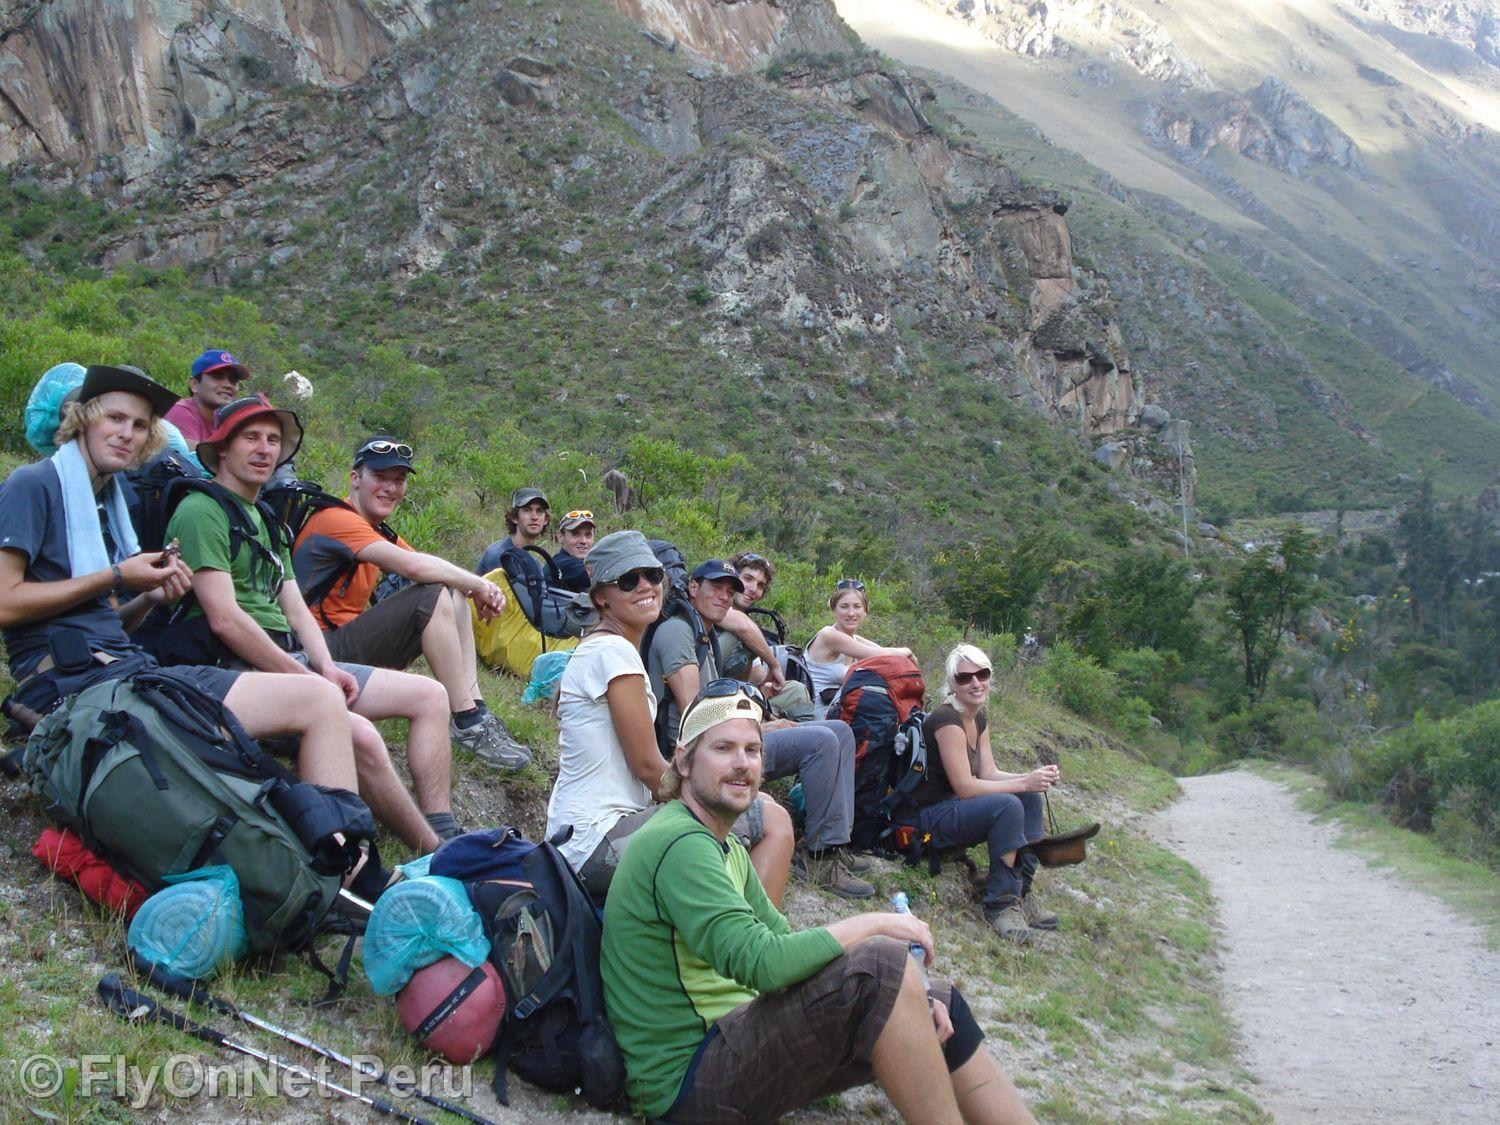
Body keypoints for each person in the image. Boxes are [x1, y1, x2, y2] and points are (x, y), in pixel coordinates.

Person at [601, 683, 1036, 1125]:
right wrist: (875, 925)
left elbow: (782, 941)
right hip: (687, 1083)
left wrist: (912, 990)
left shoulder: (724, 844)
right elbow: (764, 964)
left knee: (935, 998)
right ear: (685, 760)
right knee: (882, 967)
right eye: (723, 748)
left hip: (731, 1040)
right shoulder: (679, 844)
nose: (741, 763)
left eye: (753, 750)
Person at [0, 365, 367, 808]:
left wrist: (148, 596)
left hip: (124, 665)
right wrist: (118, 576)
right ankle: (347, 852)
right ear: (83, 418)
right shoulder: (33, 483)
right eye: (114, 418)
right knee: (314, 702)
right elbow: (6, 604)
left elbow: (100, 619)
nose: (126, 434)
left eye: (139, 425)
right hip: (71, 679)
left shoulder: (109, 502)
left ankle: (349, 845)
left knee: (297, 731)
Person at [164, 395, 455, 852]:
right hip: (229, 668)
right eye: (251, 438)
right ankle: (413, 849)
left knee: (430, 694)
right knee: (358, 732)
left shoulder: (267, 520)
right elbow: (224, 620)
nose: (264, 449)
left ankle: (445, 825)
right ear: (222, 448)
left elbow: (295, 606)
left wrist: (326, 665)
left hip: (289, 658)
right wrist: (304, 677)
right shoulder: (202, 511)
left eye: (273, 440)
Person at [545, 532, 792, 902]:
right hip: (595, 843)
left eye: (652, 576)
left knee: (758, 806)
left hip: (583, 836)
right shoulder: (613, 654)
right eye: (628, 580)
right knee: (772, 821)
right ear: (601, 598)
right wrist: (720, 793)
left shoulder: (604, 647)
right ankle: (756, 950)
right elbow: (650, 769)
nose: (645, 587)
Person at [291, 435, 530, 769]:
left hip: (340, 650)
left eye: (398, 480)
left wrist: (468, 589)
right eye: (380, 477)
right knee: (433, 594)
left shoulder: (375, 531)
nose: (391, 488)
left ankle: (474, 712)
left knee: (449, 587)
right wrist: (480, 585)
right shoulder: (337, 519)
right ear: (355, 478)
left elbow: (431, 568)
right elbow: (414, 567)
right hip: (312, 655)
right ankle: (466, 718)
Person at [646, 560, 872, 898]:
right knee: (823, 740)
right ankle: (820, 859)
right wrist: (760, 731)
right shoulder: (679, 632)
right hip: (703, 752)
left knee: (839, 730)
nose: (724, 596)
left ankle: (834, 842)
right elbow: (697, 717)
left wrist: (762, 722)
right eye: (715, 588)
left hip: (727, 739)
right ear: (693, 588)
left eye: (729, 591)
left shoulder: (703, 634)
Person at [898, 644, 1061, 946]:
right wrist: (1023, 782)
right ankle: (1000, 904)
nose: (975, 682)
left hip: (955, 810)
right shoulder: (947, 721)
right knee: (1009, 804)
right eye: (964, 678)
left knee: (1028, 797)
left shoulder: (977, 717)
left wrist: (1033, 779)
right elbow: (965, 786)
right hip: (928, 818)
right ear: (952, 685)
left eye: (981, 674)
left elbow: (989, 773)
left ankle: (1021, 891)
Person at [718, 551, 814, 721]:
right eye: (747, 579)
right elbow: (742, 627)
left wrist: (767, 685)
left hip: (743, 694)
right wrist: (775, 665)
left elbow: (755, 678)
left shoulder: (748, 627)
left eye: (760, 585)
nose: (753, 589)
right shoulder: (718, 608)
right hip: (719, 700)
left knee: (797, 690)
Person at [805, 579, 915, 716]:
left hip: (840, 710)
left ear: (865, 610)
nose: (851, 613)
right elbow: (878, 655)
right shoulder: (829, 635)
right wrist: (907, 651)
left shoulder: (854, 639)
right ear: (833, 609)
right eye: (844, 607)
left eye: (857, 607)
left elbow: (884, 653)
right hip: (818, 714)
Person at [163, 349, 250, 451]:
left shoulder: (227, 421)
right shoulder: (181, 412)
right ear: (194, 384)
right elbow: (190, 460)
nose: (228, 385)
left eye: (233, 380)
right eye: (217, 377)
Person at [476, 486, 550, 574]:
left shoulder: (532, 561)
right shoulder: (501, 556)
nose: (534, 517)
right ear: (514, 517)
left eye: (540, 511)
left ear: (545, 520)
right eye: (527, 510)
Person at [552, 509, 596, 593]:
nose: (583, 541)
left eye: (588, 535)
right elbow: (604, 574)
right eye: (575, 534)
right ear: (560, 537)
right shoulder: (561, 564)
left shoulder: (585, 562)